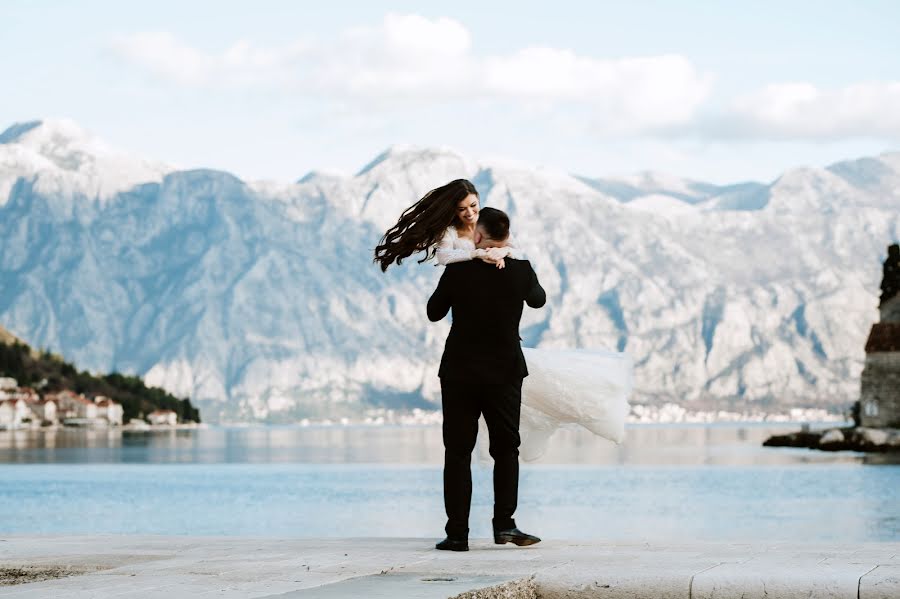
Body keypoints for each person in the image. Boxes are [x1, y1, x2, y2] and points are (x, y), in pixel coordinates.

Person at [427, 207, 545, 551]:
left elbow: (434, 312)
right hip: (505, 371)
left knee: (458, 452)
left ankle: (457, 534)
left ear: (478, 236)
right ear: (506, 236)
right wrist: (514, 263)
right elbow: (538, 300)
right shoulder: (521, 269)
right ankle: (505, 526)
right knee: (506, 450)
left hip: (460, 372)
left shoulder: (457, 271)